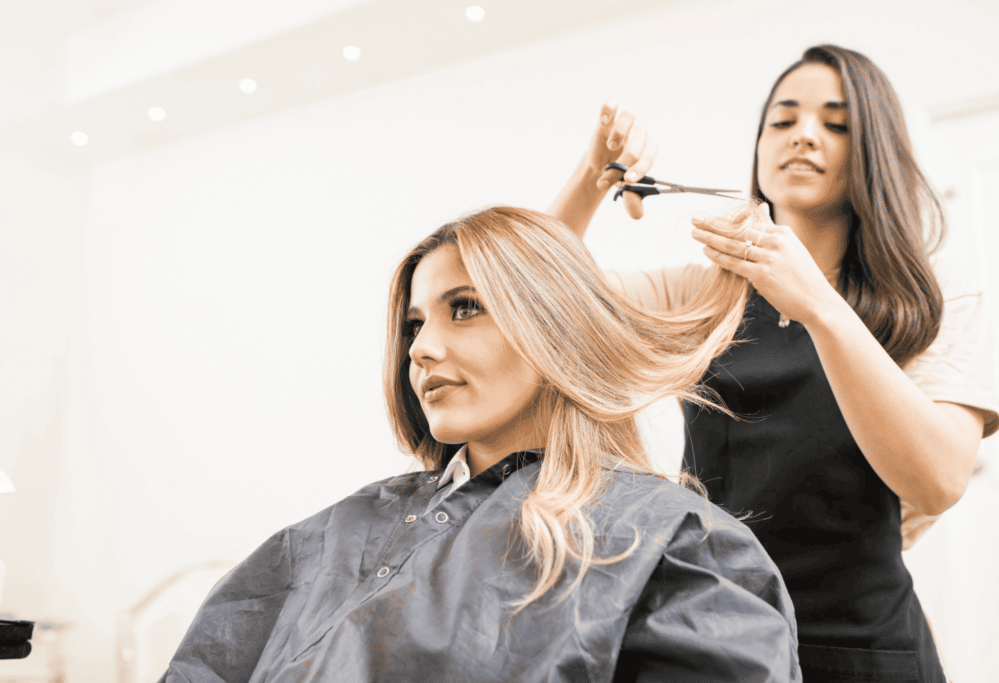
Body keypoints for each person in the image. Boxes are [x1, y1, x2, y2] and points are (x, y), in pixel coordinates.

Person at [160, 206, 800, 682]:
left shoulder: (674, 544)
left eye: (464, 307)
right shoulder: (333, 533)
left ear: (555, 325)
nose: (420, 349)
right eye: (415, 324)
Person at [549, 44, 999, 683]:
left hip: (867, 648)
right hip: (714, 636)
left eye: (836, 124)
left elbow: (938, 482)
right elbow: (528, 294)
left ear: (877, 152)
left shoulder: (940, 294)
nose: (803, 137)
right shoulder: (706, 293)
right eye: (782, 121)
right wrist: (592, 178)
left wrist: (819, 305)